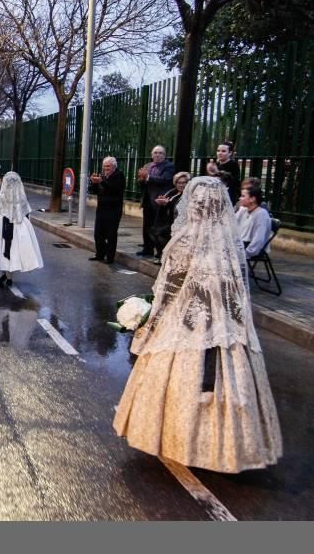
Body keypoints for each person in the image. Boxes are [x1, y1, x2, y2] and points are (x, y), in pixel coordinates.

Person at [113, 176, 282, 473]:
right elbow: (239, 295)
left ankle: (183, 443)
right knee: (229, 386)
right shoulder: (230, 243)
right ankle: (227, 451)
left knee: (178, 385)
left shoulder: (185, 241)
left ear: (192, 205)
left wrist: (148, 325)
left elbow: (168, 291)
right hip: (226, 331)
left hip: (187, 327)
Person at [0, 171, 43, 286]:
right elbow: (26, 213)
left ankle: (2, 274)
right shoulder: (21, 197)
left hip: (2, 224)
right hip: (19, 225)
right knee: (14, 251)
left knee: (1, 249)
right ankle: (10, 277)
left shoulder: (1, 196)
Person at [137, 145, 175, 257]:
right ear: (151, 155)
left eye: (160, 153)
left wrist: (147, 177)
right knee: (146, 226)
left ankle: (159, 252)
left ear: (165, 155)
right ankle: (147, 249)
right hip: (147, 201)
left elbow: (165, 180)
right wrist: (141, 179)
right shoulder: (147, 166)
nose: (157, 155)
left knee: (158, 228)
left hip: (159, 201)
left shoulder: (169, 166)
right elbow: (142, 183)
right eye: (155, 153)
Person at [88, 156, 126, 264]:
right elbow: (95, 191)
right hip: (101, 208)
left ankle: (110, 257)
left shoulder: (119, 175)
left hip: (113, 209)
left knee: (111, 234)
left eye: (108, 166)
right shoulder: (103, 176)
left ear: (114, 166)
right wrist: (94, 183)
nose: (106, 168)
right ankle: (100, 254)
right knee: (98, 233)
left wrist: (102, 181)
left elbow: (115, 189)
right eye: (104, 166)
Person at [148, 171, 190, 264]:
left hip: (181, 224)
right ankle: (161, 254)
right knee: (153, 231)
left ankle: (164, 256)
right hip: (169, 221)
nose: (181, 185)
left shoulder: (188, 195)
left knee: (160, 233)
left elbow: (179, 208)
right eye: (179, 183)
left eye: (184, 182)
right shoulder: (173, 192)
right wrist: (163, 202)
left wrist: (168, 204)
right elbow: (168, 203)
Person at [236, 186, 272, 260]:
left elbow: (259, 238)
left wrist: (247, 252)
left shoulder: (262, 214)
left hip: (252, 248)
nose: (240, 198)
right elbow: (232, 225)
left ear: (252, 199)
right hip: (241, 244)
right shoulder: (243, 210)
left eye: (243, 196)